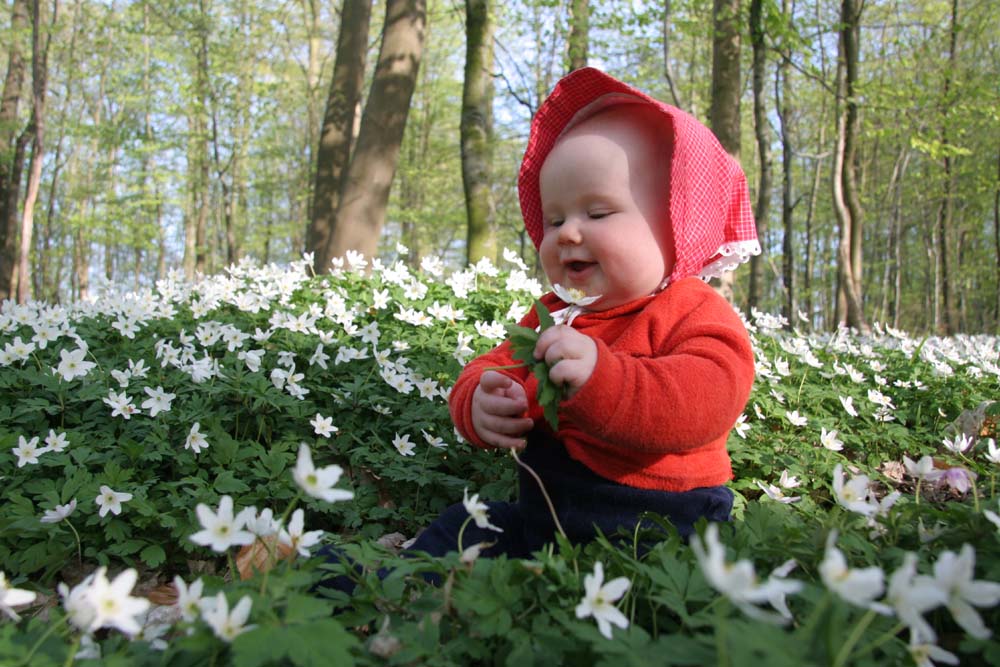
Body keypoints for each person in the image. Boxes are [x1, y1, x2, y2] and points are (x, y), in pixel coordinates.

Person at [397, 66, 760, 561]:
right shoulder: (552, 314)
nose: (568, 233)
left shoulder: (692, 309)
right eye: (555, 219)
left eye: (598, 213)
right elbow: (495, 363)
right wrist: (478, 403)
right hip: (546, 516)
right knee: (464, 526)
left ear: (677, 225)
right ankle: (380, 586)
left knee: (636, 580)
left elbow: (707, 400)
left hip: (658, 525)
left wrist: (603, 380)